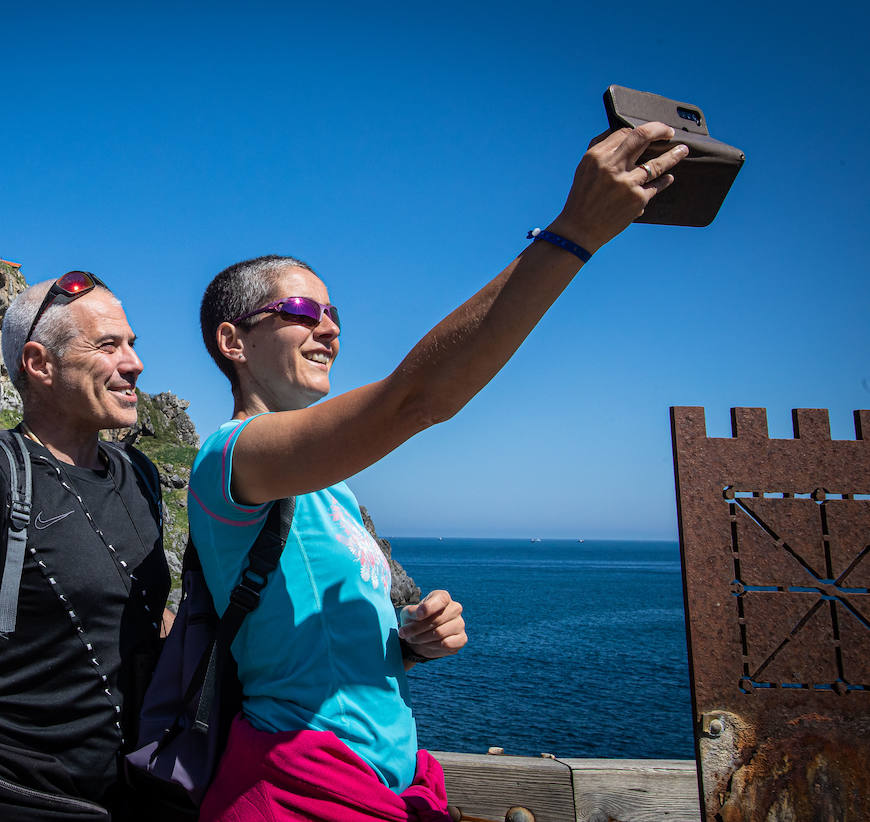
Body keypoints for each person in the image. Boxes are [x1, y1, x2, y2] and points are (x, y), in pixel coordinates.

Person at [189, 123, 689, 821]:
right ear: (233, 341)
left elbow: (314, 648)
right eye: (304, 311)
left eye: (335, 313)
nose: (330, 328)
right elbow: (416, 398)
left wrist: (409, 641)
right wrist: (573, 233)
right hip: (300, 790)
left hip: (387, 783)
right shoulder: (230, 456)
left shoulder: (333, 488)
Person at [0, 271, 172, 822]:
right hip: (17, 802)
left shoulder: (138, 473)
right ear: (39, 363)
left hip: (139, 799)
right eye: (107, 345)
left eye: (132, 345)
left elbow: (134, 610)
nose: (134, 363)